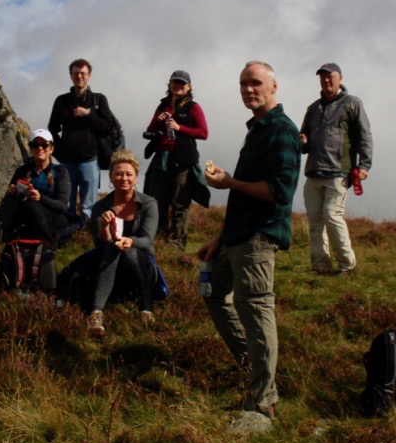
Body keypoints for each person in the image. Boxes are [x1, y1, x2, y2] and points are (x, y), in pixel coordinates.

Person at [198, 61, 301, 419]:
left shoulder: (282, 130)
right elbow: (244, 194)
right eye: (243, 84)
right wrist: (220, 236)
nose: (248, 89)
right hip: (236, 235)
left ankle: (262, 400)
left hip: (259, 236)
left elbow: (279, 191)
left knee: (256, 309)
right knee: (213, 292)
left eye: (256, 83)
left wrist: (230, 183)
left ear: (274, 87)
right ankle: (257, 366)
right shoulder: (257, 129)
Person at [299, 62, 372, 275]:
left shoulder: (352, 103)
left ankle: (347, 264)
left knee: (332, 215)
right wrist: (302, 141)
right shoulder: (313, 108)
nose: (326, 80)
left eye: (330, 76)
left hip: (339, 171)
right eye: (322, 77)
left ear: (340, 78)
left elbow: (364, 135)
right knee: (315, 220)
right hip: (314, 171)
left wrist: (364, 164)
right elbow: (304, 142)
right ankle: (320, 266)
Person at [86, 149, 160, 336]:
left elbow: (147, 240)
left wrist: (130, 241)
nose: (124, 178)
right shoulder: (101, 207)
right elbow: (100, 243)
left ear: (136, 178)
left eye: (129, 174)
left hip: (142, 264)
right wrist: (104, 226)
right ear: (111, 177)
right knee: (112, 248)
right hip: (108, 263)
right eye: (118, 174)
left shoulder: (148, 204)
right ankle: (96, 314)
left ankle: (146, 309)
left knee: (129, 251)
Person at [141, 69, 209, 254]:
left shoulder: (193, 107)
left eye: (182, 83)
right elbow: (150, 129)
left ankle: (176, 247)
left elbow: (203, 133)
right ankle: (158, 242)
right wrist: (158, 121)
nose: (178, 86)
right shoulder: (162, 105)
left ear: (189, 87)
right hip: (161, 158)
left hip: (183, 161)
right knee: (157, 202)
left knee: (180, 203)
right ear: (170, 85)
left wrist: (180, 128)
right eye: (175, 82)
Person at [0, 128, 73, 252]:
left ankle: (48, 243)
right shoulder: (23, 171)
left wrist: (40, 198)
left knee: (30, 202)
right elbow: (6, 201)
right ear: (31, 148)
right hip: (27, 216)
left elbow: (62, 206)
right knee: (12, 202)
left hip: (52, 217)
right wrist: (11, 193)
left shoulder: (60, 172)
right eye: (35, 145)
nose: (40, 148)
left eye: (44, 145)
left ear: (51, 149)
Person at [48, 58, 117, 223]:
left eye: (83, 73)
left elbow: (108, 126)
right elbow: (52, 128)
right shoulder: (62, 101)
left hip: (90, 159)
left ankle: (86, 231)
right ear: (71, 76)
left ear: (89, 76)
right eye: (76, 73)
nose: (79, 76)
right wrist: (59, 151)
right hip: (67, 161)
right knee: (67, 203)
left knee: (88, 206)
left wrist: (89, 114)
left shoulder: (98, 99)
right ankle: (67, 231)